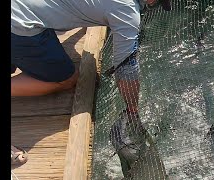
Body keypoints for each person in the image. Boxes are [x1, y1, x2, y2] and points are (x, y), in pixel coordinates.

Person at [11, 0, 171, 166]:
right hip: (18, 24)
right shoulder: (127, 12)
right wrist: (132, 109)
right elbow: (126, 69)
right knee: (66, 78)